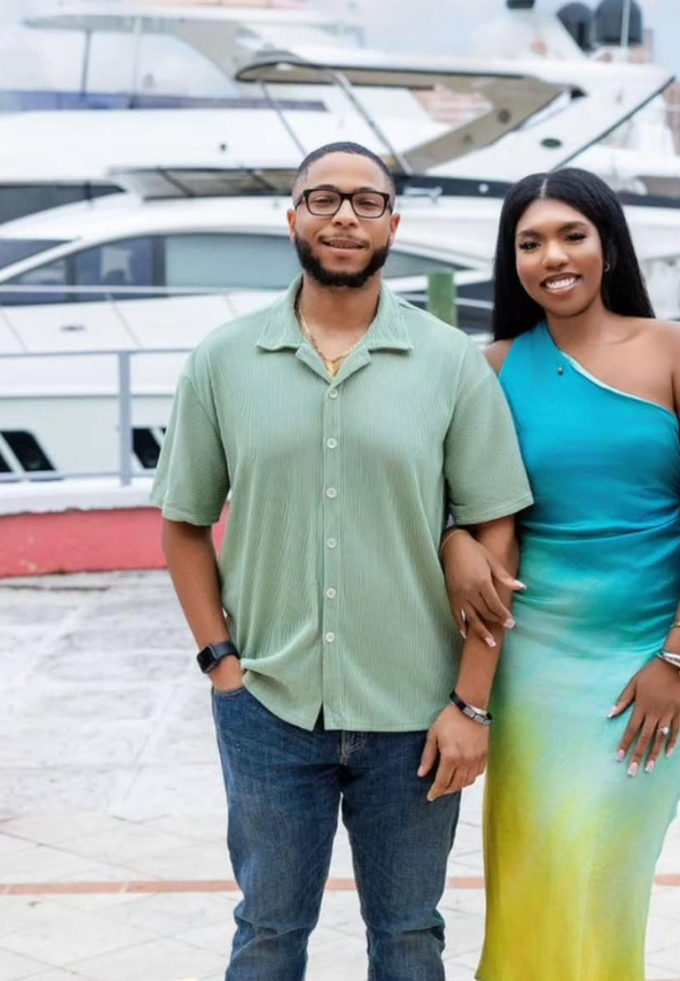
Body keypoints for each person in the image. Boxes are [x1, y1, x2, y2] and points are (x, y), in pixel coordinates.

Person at [149, 141, 533, 981]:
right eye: (323, 199)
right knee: (268, 931)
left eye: (366, 202)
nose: (344, 217)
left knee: (406, 936)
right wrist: (220, 662)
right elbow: (183, 523)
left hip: (415, 714)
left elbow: (495, 529)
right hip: (269, 709)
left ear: (393, 224)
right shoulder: (223, 360)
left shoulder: (448, 364)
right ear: (292, 219)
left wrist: (471, 703)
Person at [439, 168, 680, 981]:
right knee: (540, 873)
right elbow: (455, 508)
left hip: (649, 661)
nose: (554, 256)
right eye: (530, 242)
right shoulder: (493, 367)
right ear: (514, 261)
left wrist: (678, 658)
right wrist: (451, 543)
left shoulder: (679, 351)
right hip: (532, 670)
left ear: (607, 244)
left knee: (601, 871)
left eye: (572, 234)